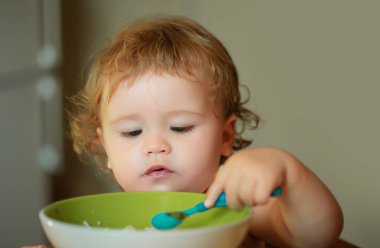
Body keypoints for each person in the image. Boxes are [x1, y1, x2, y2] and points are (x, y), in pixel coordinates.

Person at [25, 15, 344, 248]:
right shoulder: (102, 225)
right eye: (132, 132)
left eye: (180, 127)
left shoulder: (235, 209)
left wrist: (285, 170)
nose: (155, 145)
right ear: (104, 146)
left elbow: (316, 235)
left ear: (225, 137)